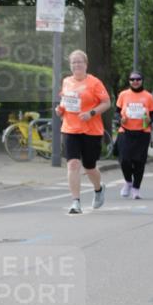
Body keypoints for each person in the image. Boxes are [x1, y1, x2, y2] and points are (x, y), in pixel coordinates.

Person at [55, 50, 110, 214]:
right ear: (70, 65)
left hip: (91, 130)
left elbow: (106, 103)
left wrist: (91, 113)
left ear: (86, 64)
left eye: (80, 62)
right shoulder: (66, 82)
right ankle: (75, 202)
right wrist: (60, 109)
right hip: (70, 128)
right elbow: (65, 102)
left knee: (89, 167)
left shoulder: (95, 82)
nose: (77, 65)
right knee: (72, 164)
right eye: (74, 62)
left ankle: (99, 188)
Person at [115, 71, 153, 199]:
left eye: (138, 79)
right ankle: (128, 181)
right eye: (132, 79)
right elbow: (117, 113)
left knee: (139, 162)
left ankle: (136, 188)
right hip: (125, 131)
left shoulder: (148, 96)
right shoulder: (123, 95)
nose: (135, 81)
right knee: (124, 160)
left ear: (142, 80)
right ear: (129, 81)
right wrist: (120, 119)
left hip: (143, 132)